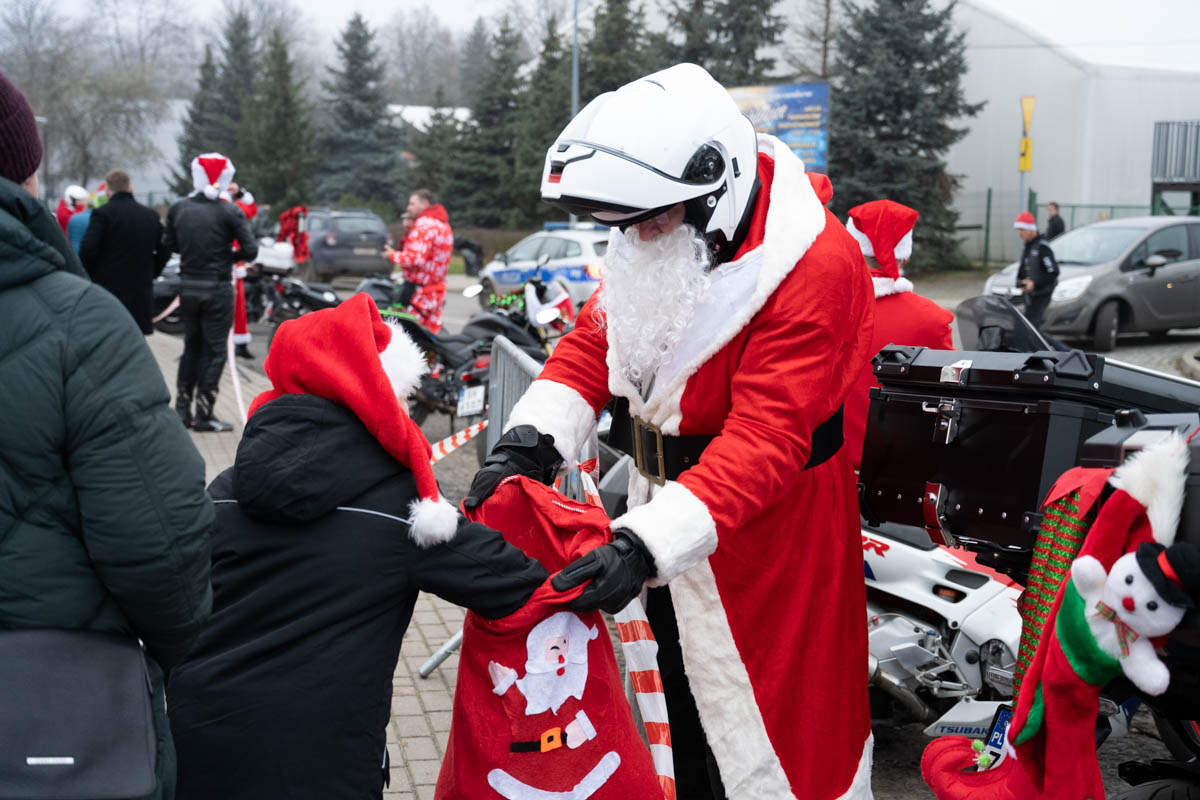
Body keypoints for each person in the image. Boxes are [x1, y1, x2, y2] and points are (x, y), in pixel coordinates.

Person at [466, 63, 875, 800]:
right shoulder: (666, 227)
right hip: (671, 513)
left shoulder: (816, 264)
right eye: (626, 226)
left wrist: (642, 543)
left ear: (717, 189)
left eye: (652, 222)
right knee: (679, 714)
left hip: (769, 542)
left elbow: (768, 437)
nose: (638, 238)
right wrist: (534, 435)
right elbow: (600, 337)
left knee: (771, 738)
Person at [168, 294, 548, 799]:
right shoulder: (403, 510)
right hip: (325, 760)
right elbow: (515, 582)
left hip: (198, 743)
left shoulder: (223, 490)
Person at [0, 69, 213, 800]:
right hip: (52, 704)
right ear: (25, 171)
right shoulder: (78, 329)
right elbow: (158, 540)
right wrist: (179, 644)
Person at [843, 199, 954, 472]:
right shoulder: (932, 320)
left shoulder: (820, 307)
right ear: (905, 256)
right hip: (900, 472)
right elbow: (951, 403)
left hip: (827, 470)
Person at [163, 152, 258, 432]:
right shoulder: (230, 211)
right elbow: (251, 250)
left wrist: (195, 254)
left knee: (190, 347)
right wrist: (225, 257)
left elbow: (170, 244)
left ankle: (182, 411)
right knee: (215, 351)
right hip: (217, 288)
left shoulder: (179, 207)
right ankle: (205, 414)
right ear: (225, 178)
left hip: (189, 286)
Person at [78, 168, 171, 334]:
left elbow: (87, 249)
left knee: (110, 338)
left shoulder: (102, 215)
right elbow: (165, 247)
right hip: (140, 289)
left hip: (108, 289)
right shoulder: (150, 216)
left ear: (107, 191)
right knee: (135, 339)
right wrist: (153, 270)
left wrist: (93, 275)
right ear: (131, 188)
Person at [383, 188, 452, 332]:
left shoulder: (423, 224)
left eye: (412, 204)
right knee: (430, 335)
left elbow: (415, 259)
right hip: (436, 290)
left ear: (425, 203)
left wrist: (392, 255)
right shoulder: (443, 224)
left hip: (419, 293)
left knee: (410, 335)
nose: (409, 208)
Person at [224, 181, 258, 359]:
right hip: (223, 264)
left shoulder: (233, 206)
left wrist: (239, 193)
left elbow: (251, 210)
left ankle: (239, 343)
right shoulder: (227, 208)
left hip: (231, 265)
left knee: (239, 308)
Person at [1014, 210, 1059, 330]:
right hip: (1030, 297)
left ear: (1031, 229)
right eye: (1018, 230)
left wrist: (1035, 283)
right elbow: (1023, 270)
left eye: (1022, 230)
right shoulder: (1028, 247)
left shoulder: (1042, 247)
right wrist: (1019, 282)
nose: (1019, 234)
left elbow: (1053, 272)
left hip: (1041, 295)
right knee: (1028, 328)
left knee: (1032, 330)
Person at [65, 183, 101, 253]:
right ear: (73, 201)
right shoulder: (69, 215)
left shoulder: (75, 216)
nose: (84, 203)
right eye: (81, 200)